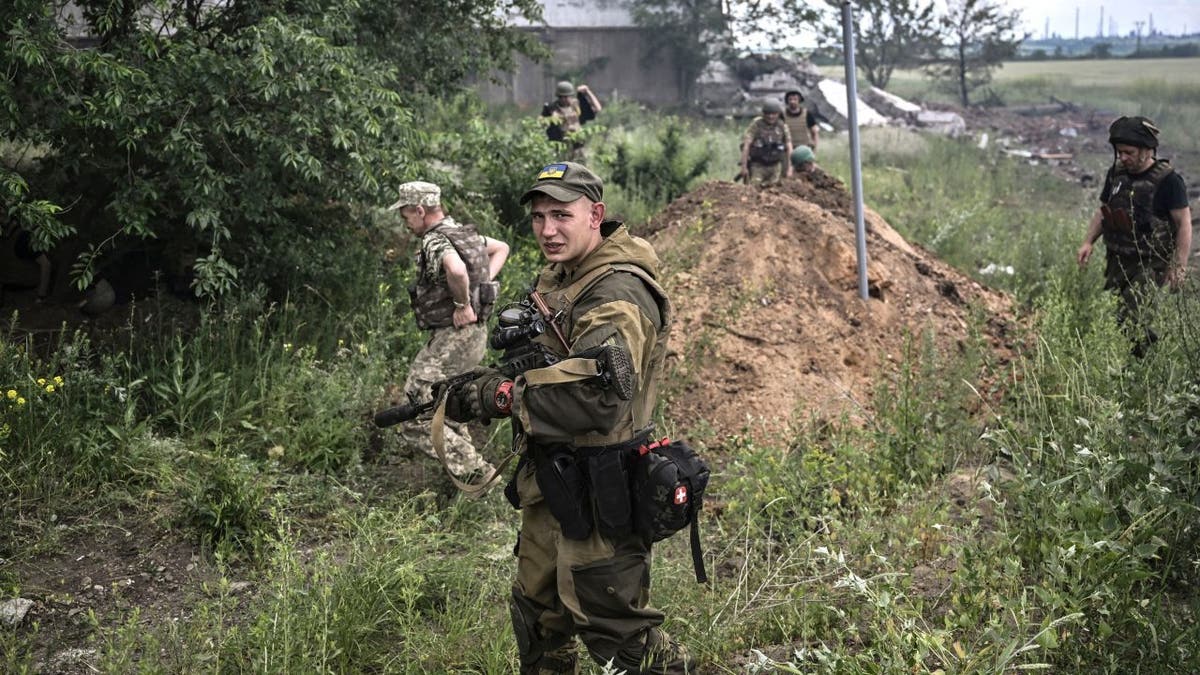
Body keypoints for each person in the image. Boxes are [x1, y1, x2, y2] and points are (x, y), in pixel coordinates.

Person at [443, 162, 694, 674]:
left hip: (601, 488)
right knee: (538, 620)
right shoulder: (564, 276)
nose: (548, 230)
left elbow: (597, 400)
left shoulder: (618, 291)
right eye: (538, 217)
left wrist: (499, 397)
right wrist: (490, 377)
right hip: (552, 480)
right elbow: (547, 362)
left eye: (562, 215)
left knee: (618, 637)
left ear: (595, 215)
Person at [389, 181, 510, 476]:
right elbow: (501, 248)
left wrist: (462, 304)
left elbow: (455, 269)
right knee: (451, 409)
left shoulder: (435, 240)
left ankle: (479, 474)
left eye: (406, 216)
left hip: (453, 338)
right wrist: (480, 287)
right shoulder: (460, 232)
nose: (406, 224)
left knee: (415, 415)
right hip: (475, 335)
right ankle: (466, 489)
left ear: (419, 210)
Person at [1076, 115, 1191, 353]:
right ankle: (1133, 364)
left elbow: (1184, 224)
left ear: (1147, 151)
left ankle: (1144, 366)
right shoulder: (1116, 173)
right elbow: (1103, 211)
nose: (1123, 157)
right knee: (1120, 317)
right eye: (1119, 152)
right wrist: (1088, 241)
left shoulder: (1169, 181)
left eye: (1128, 152)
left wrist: (1179, 265)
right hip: (1118, 259)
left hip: (1149, 263)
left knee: (1136, 318)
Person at [541, 81, 602, 160]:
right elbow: (540, 123)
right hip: (560, 149)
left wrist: (587, 92)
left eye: (567, 96)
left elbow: (597, 108)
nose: (565, 99)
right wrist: (551, 119)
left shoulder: (577, 107)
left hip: (577, 149)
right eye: (562, 97)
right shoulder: (551, 109)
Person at [739, 100, 793, 187]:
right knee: (754, 188)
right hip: (758, 165)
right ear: (763, 114)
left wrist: (790, 169)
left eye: (773, 114)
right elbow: (746, 145)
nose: (770, 116)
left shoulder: (782, 126)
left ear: (778, 114)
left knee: (774, 190)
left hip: (775, 166)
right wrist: (744, 167)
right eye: (768, 114)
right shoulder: (756, 124)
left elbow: (789, 147)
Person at [782, 90, 820, 155]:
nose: (792, 101)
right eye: (790, 99)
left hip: (805, 149)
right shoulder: (782, 114)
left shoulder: (807, 114)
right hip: (787, 151)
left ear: (799, 100)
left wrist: (814, 151)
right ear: (787, 101)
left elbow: (815, 133)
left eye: (795, 99)